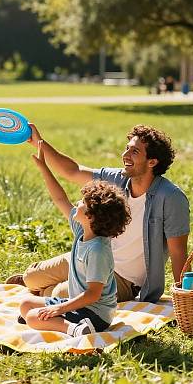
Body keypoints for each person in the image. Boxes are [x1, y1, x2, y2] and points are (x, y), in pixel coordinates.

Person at [7, 124, 189, 304]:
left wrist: (184, 297)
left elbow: (178, 251)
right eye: (127, 148)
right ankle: (40, 291)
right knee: (30, 277)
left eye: (134, 152)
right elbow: (73, 171)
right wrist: (39, 142)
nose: (125, 155)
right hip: (91, 259)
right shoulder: (118, 178)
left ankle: (45, 293)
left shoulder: (171, 198)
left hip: (123, 280)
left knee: (61, 292)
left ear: (152, 162)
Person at [19, 142, 131, 337]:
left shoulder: (97, 250)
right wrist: (43, 168)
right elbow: (60, 199)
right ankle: (54, 321)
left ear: (91, 216)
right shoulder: (83, 230)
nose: (77, 203)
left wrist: (59, 310)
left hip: (96, 314)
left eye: (82, 203)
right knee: (25, 304)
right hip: (79, 304)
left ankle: (74, 329)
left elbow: (93, 294)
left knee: (32, 317)